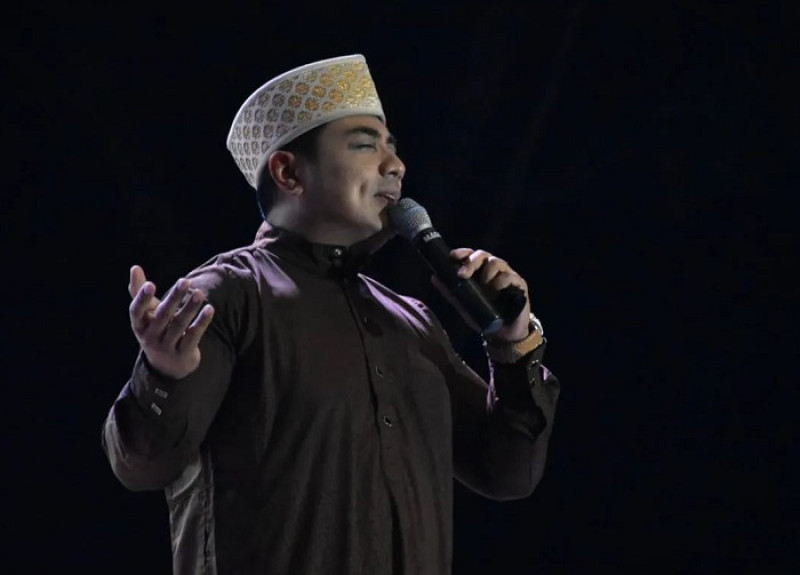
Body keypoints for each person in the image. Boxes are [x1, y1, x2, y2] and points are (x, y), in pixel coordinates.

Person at [102, 53, 560, 575]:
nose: (395, 165)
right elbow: (141, 464)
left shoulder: (410, 321)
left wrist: (512, 342)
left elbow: (508, 474)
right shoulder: (226, 295)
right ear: (289, 172)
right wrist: (163, 374)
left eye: (393, 147)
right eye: (366, 145)